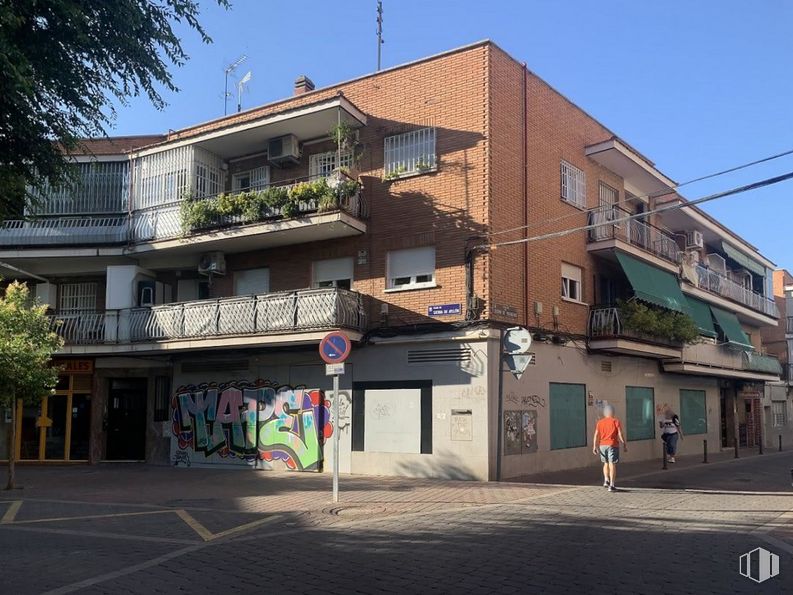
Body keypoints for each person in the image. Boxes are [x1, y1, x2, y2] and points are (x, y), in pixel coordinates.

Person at [592, 405, 627, 492]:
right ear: (613, 412)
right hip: (612, 444)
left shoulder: (600, 422)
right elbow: (620, 433)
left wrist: (594, 446)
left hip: (602, 445)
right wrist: (624, 443)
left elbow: (596, 435)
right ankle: (612, 484)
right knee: (612, 464)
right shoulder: (615, 421)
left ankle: (606, 480)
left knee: (605, 463)